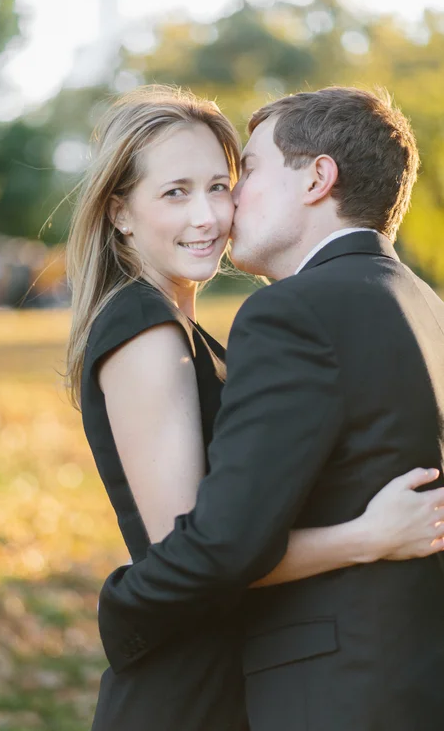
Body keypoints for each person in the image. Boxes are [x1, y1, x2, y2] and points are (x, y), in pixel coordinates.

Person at [65, 86, 444, 731]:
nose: (213, 213)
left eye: (223, 183)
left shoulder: (191, 331)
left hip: (242, 666)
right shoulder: (145, 328)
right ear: (120, 214)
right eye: (176, 192)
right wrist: (366, 539)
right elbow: (193, 555)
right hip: (187, 685)